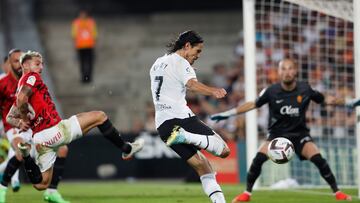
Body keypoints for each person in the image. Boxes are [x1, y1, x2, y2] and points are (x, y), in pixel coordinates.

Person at [210, 59, 357, 202]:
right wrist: (228, 113)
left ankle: (337, 192)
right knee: (258, 160)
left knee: (319, 160)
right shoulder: (271, 91)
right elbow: (252, 104)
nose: (287, 72)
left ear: (296, 71)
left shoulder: (305, 89)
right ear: (279, 72)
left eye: (290, 68)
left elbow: (326, 99)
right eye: (283, 69)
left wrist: (348, 102)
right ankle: (247, 194)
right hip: (276, 136)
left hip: (300, 134)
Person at [6, 50, 144, 193]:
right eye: (37, 64)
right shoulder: (32, 77)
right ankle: (126, 149)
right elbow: (22, 99)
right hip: (54, 131)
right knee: (100, 116)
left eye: (42, 64)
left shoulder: (19, 87)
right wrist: (23, 118)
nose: (41, 68)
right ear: (25, 65)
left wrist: (20, 122)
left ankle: (27, 156)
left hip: (40, 139)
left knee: (41, 184)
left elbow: (10, 116)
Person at [150, 30, 230, 203]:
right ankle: (185, 136)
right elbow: (192, 84)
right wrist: (213, 90)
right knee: (224, 151)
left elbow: (169, 80)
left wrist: (184, 70)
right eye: (197, 50)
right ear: (187, 46)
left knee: (203, 166)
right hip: (180, 119)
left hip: (163, 126)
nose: (198, 55)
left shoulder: (158, 62)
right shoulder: (180, 62)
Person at [0, 49, 71, 203]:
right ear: (8, 65)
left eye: (21, 60)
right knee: (20, 150)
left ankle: (51, 192)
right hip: (14, 126)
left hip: (34, 126)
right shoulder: (2, 84)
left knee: (63, 149)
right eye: (15, 61)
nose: (18, 64)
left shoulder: (31, 79)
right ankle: (2, 188)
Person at [71, 9, 97, 83]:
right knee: (82, 63)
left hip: (89, 46)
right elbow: (74, 34)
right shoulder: (76, 22)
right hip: (80, 46)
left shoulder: (91, 22)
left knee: (89, 63)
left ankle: (89, 78)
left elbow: (95, 33)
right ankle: (83, 78)